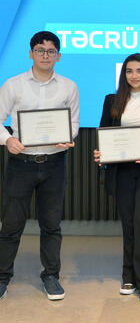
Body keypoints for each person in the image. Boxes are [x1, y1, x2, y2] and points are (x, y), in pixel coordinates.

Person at [0, 31, 79, 301]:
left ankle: (51, 276)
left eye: (51, 51)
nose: (46, 55)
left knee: (51, 224)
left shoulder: (69, 86)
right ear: (31, 54)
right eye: (40, 50)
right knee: (11, 224)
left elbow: (74, 124)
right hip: (21, 164)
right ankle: (2, 276)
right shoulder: (13, 85)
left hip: (55, 163)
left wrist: (68, 136)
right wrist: (8, 139)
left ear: (59, 56)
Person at [94, 53, 140, 305]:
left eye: (139, 71)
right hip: (121, 172)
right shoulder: (111, 100)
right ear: (123, 74)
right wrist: (101, 154)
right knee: (128, 225)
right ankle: (129, 277)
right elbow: (105, 132)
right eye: (129, 71)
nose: (134, 76)